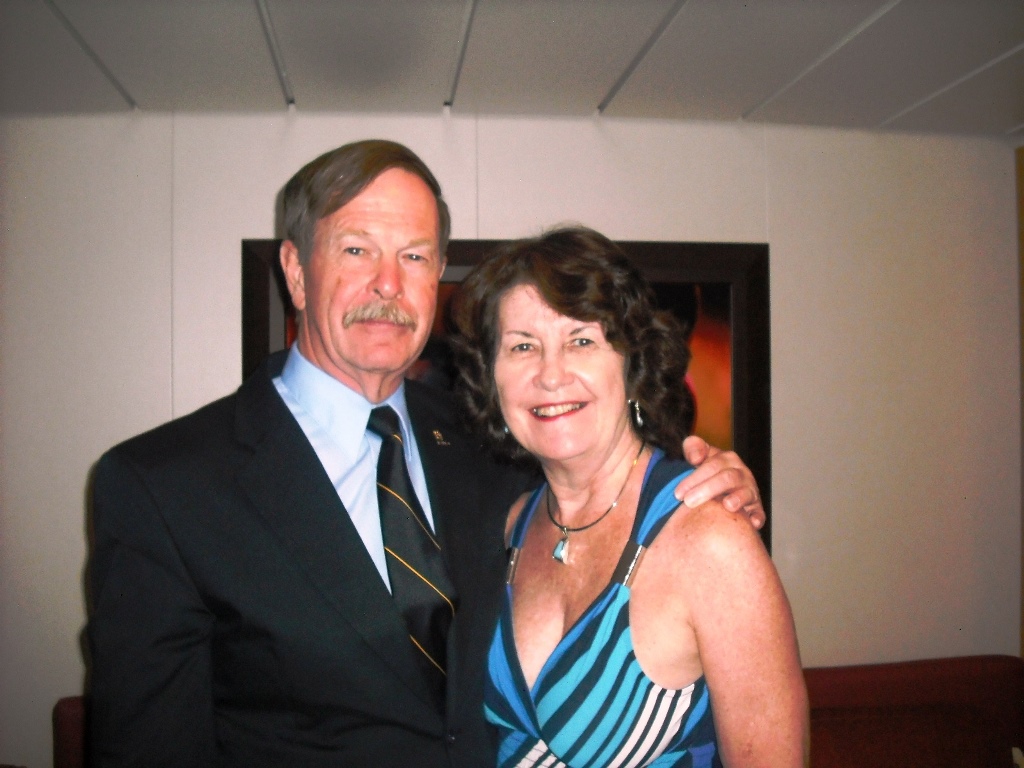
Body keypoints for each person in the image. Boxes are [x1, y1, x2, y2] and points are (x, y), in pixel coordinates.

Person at [87, 140, 765, 768]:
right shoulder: (163, 487)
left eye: (413, 256)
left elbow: (601, 473)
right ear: (295, 271)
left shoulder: (490, 439)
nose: (388, 283)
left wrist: (705, 480)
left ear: (438, 274)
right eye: (357, 250)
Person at [449, 226, 808, 767]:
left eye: (581, 341)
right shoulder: (510, 524)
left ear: (632, 363)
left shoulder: (710, 540)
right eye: (522, 346)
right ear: (492, 380)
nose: (551, 375)